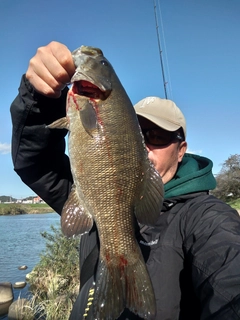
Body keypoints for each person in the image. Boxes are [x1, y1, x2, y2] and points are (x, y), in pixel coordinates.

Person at [10, 41, 240, 320]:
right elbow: (35, 163)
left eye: (158, 136)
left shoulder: (206, 218)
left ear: (182, 150)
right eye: (138, 134)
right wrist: (40, 98)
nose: (144, 145)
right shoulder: (99, 191)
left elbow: (230, 278)